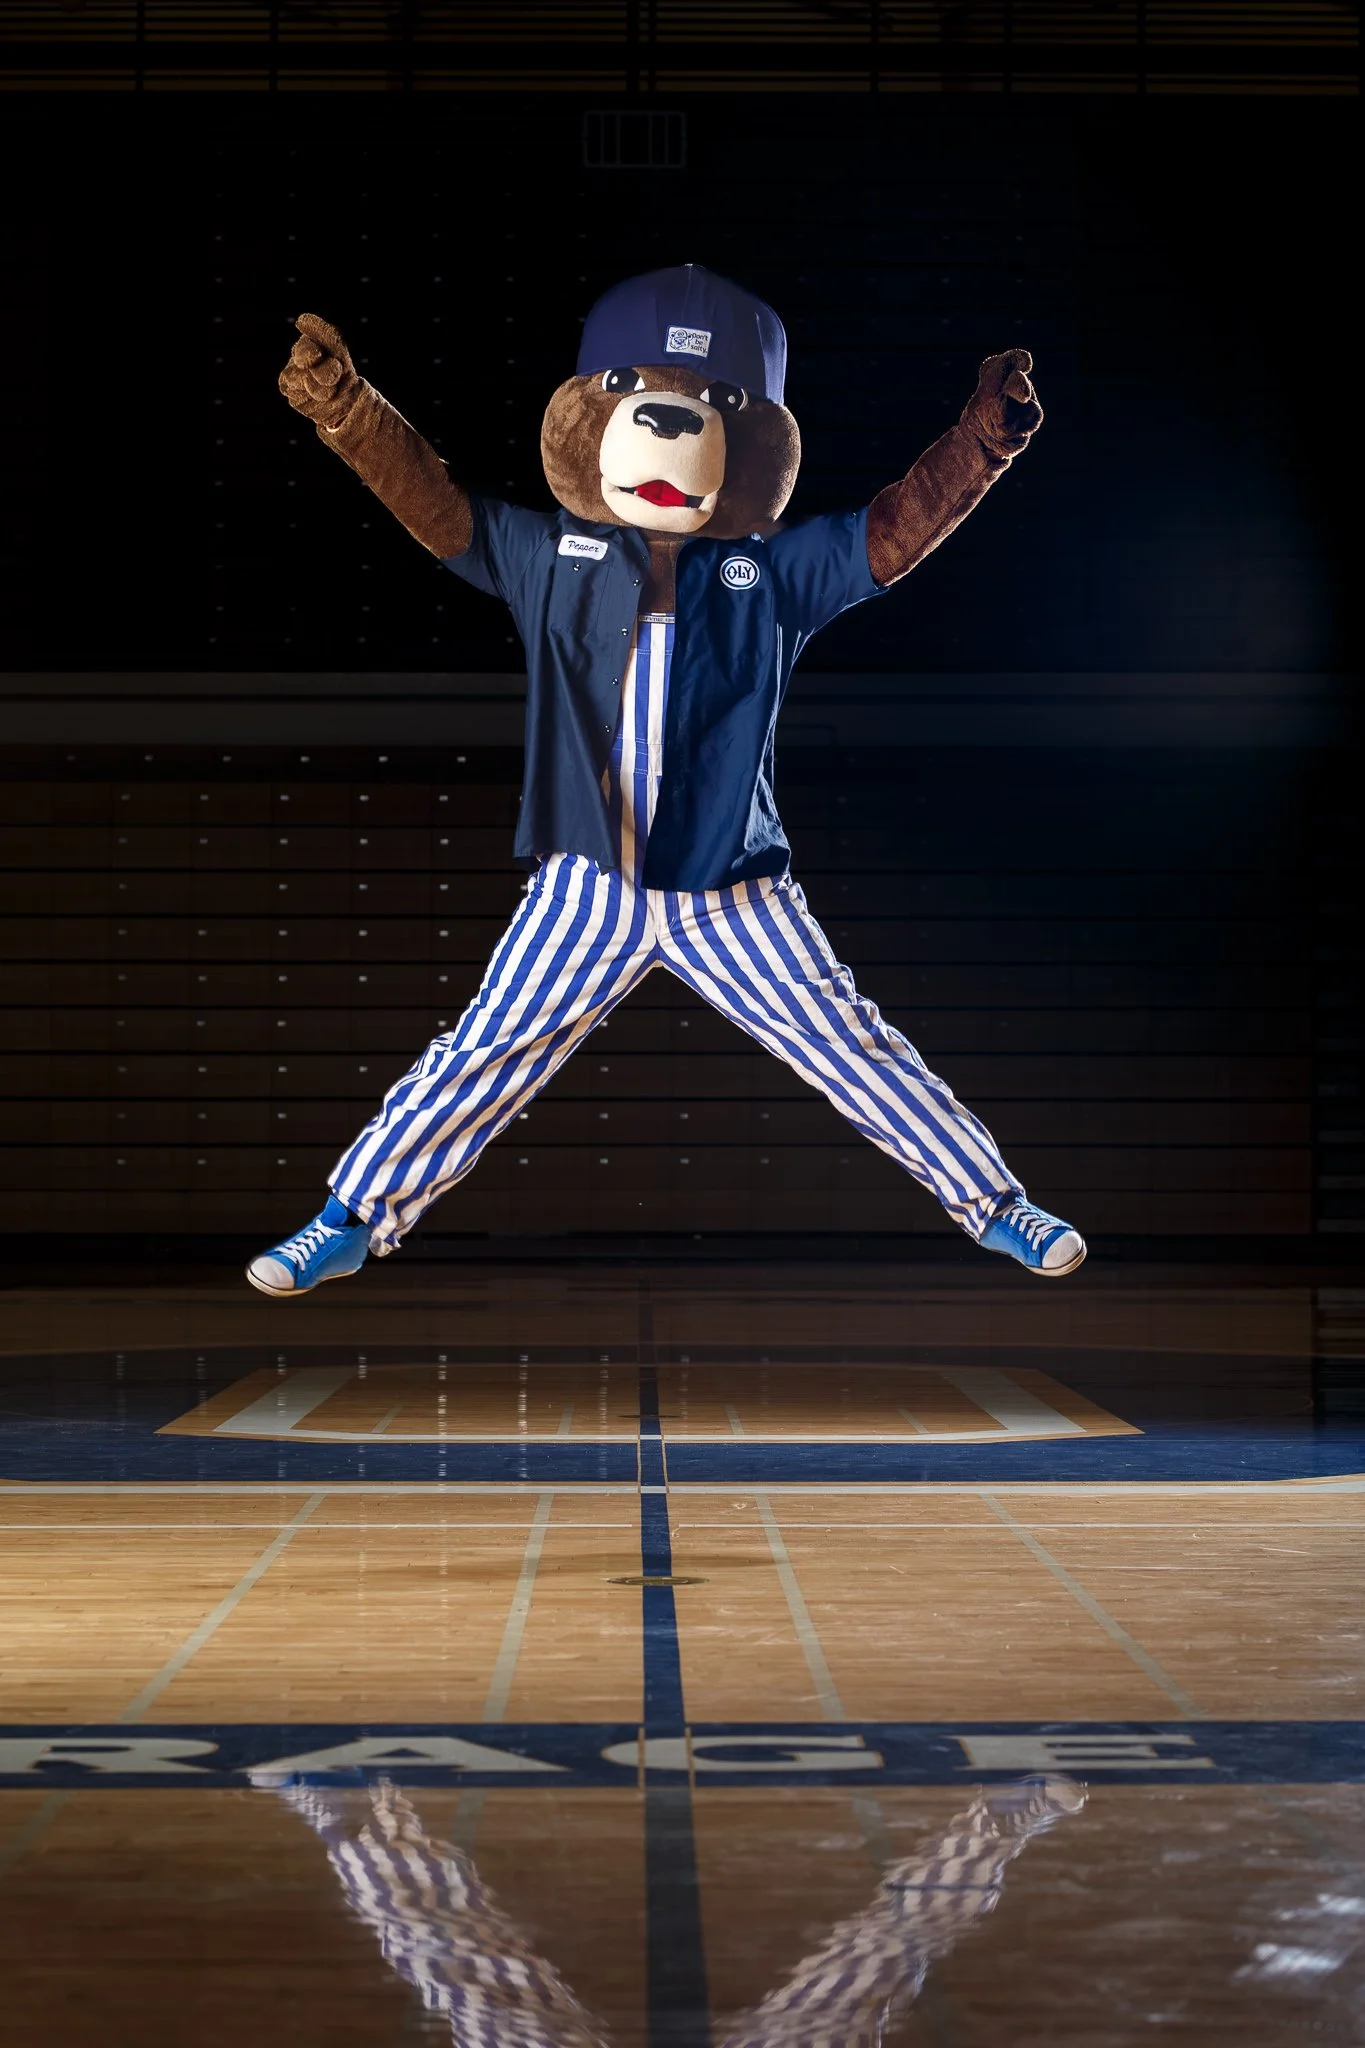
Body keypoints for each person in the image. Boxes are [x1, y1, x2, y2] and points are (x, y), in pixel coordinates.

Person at [249, 266, 1085, 1296]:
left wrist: (981, 443)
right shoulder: (548, 552)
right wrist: (347, 407)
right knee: (483, 1051)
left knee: (852, 1046)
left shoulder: (770, 573)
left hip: (734, 887)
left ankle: (997, 1203)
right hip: (588, 882)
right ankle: (347, 1217)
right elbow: (433, 497)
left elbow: (888, 534)